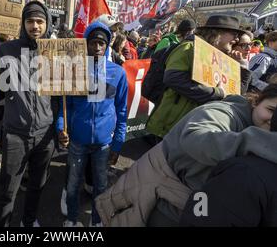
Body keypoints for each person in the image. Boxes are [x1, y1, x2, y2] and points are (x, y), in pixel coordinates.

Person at [96, 84, 277, 227]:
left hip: (192, 205)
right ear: (256, 102)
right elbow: (195, 137)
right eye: (271, 110)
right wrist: (256, 141)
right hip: (164, 204)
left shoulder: (255, 122)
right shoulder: (226, 112)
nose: (272, 120)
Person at [0, 1, 55, 227]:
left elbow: (66, 93)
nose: (35, 26)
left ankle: (29, 221)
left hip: (45, 134)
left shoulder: (56, 50)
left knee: (37, 186)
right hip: (15, 134)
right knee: (8, 190)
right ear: (23, 23)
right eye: (30, 21)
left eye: (40, 21)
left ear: (47, 24)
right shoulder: (6, 49)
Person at [58, 22, 128, 227]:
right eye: (93, 43)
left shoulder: (118, 73)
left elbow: (122, 111)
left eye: (102, 43)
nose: (97, 47)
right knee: (72, 185)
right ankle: (71, 220)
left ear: (107, 46)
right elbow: (67, 107)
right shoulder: (74, 71)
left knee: (101, 186)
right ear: (86, 44)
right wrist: (61, 128)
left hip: (104, 144)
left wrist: (118, 143)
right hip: (77, 142)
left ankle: (96, 221)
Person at [146, 15, 245, 140]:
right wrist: (216, 93)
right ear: (217, 33)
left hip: (192, 126)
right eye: (234, 34)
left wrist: (243, 68)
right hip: (171, 127)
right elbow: (173, 78)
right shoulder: (190, 47)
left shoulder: (219, 56)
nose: (236, 39)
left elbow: (236, 95)